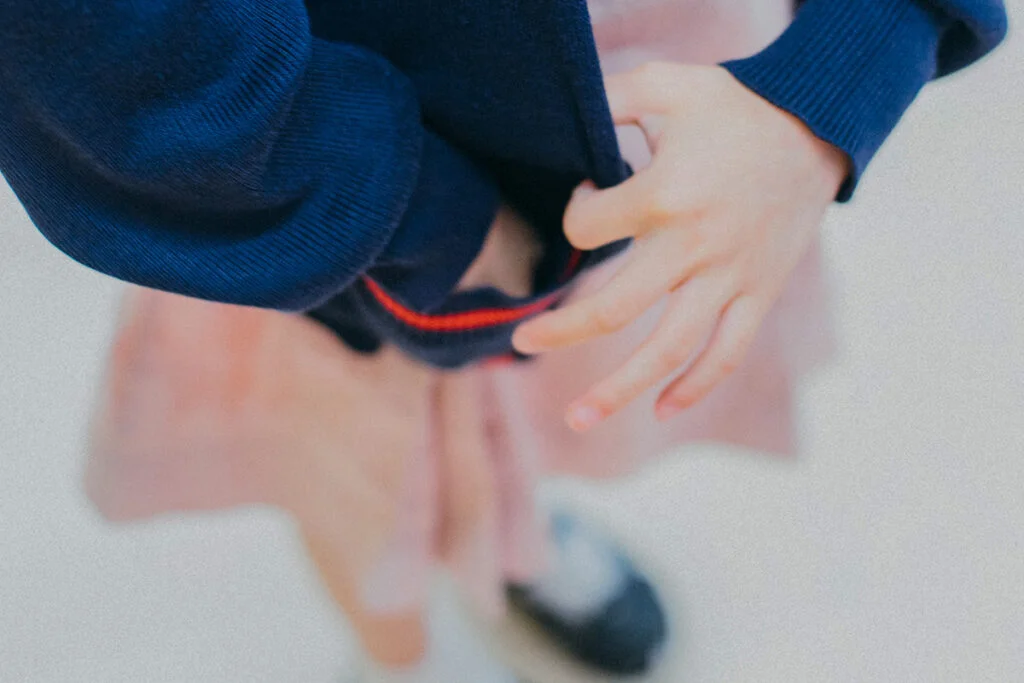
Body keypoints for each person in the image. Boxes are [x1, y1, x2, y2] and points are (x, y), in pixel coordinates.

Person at [0, 0, 1007, 681]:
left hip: (680, 88)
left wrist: (836, 78)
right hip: (328, 172)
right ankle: (392, 653)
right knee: (358, 467)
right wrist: (417, 221)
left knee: (556, 394)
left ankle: (519, 538)